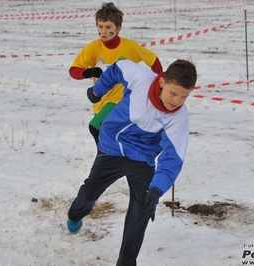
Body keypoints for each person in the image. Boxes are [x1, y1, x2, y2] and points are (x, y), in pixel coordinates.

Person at [67, 59, 197, 266]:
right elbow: (117, 68)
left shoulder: (179, 117)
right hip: (112, 147)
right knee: (90, 192)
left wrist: (156, 189)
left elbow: (172, 159)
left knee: (143, 207)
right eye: (173, 93)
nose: (177, 101)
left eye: (184, 97)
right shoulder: (142, 78)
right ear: (162, 82)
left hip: (142, 157)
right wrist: (97, 92)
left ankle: (126, 262)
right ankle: (75, 214)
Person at [69, 2, 163, 144]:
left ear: (118, 28)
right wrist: (89, 72)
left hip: (122, 101)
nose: (103, 31)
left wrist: (157, 86)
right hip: (100, 101)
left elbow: (154, 62)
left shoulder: (130, 47)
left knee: (95, 128)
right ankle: (113, 162)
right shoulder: (93, 48)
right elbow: (74, 71)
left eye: (108, 27)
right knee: (108, 139)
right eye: (100, 27)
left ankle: (106, 161)